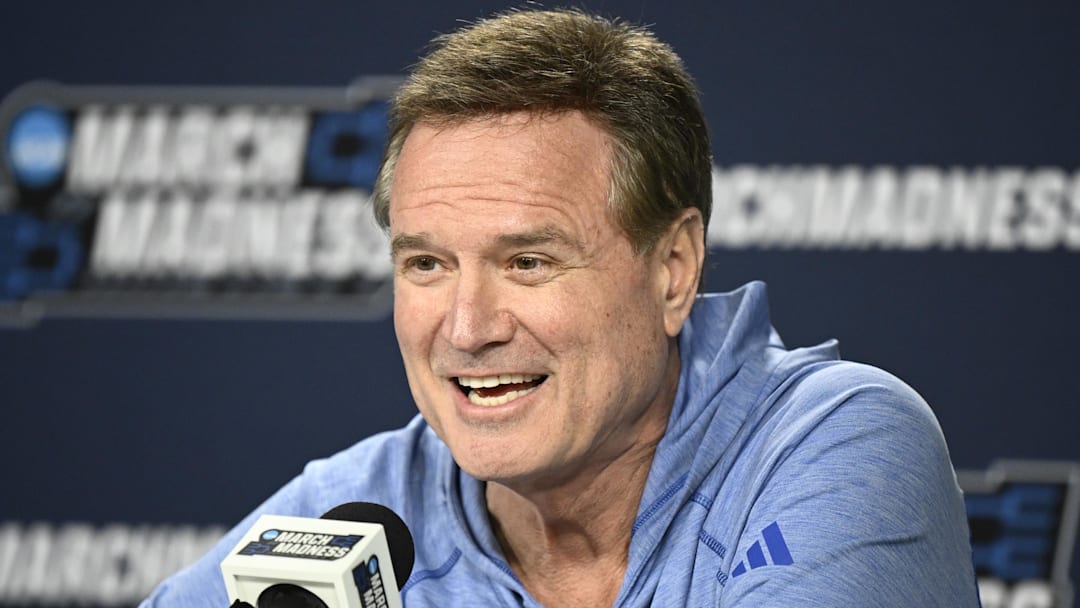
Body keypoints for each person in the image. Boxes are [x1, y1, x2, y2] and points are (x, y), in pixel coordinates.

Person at [143, 8, 979, 607]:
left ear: (673, 271)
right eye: (427, 263)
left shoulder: (838, 445)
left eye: (528, 261)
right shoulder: (353, 511)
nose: (468, 329)